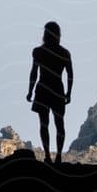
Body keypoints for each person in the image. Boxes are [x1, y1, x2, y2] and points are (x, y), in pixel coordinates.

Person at [25, 20, 73, 163]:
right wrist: (69, 93)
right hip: (58, 89)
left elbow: (34, 73)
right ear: (58, 34)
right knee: (60, 124)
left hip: (42, 89)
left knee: (44, 124)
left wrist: (30, 91)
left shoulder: (38, 52)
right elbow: (70, 75)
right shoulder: (64, 52)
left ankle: (47, 156)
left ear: (45, 34)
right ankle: (58, 156)